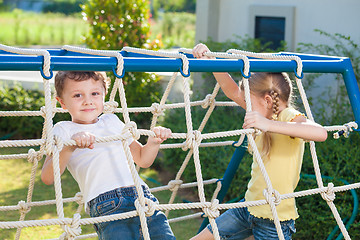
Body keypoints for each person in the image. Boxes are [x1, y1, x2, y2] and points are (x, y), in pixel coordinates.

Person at [191, 43, 328, 240]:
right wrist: (209, 60)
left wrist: (267, 124)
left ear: (267, 100)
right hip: (248, 208)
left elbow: (320, 133)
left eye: (250, 102)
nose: (247, 107)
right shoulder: (261, 114)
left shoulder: (286, 116)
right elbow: (232, 91)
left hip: (275, 218)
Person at [41, 71, 176, 240]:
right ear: (62, 103)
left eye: (95, 93)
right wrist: (70, 147)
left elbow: (142, 159)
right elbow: (47, 177)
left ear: (104, 95)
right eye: (77, 95)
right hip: (106, 203)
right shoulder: (63, 129)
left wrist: (154, 142)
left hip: (143, 197)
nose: (88, 100)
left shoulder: (111, 121)